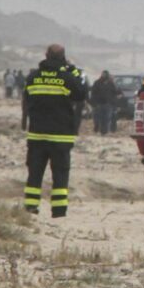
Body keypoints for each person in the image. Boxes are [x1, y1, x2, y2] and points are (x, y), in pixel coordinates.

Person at [21, 44, 86, 218]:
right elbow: (81, 94)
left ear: (46, 55)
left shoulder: (33, 77)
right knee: (60, 175)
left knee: (34, 174)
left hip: (37, 135)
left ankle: (30, 208)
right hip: (60, 136)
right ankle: (58, 211)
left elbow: (27, 99)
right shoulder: (67, 77)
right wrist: (75, 73)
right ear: (63, 57)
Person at [90, 70, 121, 135]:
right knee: (99, 118)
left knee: (107, 118)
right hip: (99, 103)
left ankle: (105, 131)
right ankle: (101, 130)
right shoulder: (97, 83)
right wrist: (93, 102)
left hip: (108, 104)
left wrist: (118, 96)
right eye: (103, 74)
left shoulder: (111, 83)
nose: (104, 76)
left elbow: (116, 91)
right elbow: (93, 93)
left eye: (105, 74)